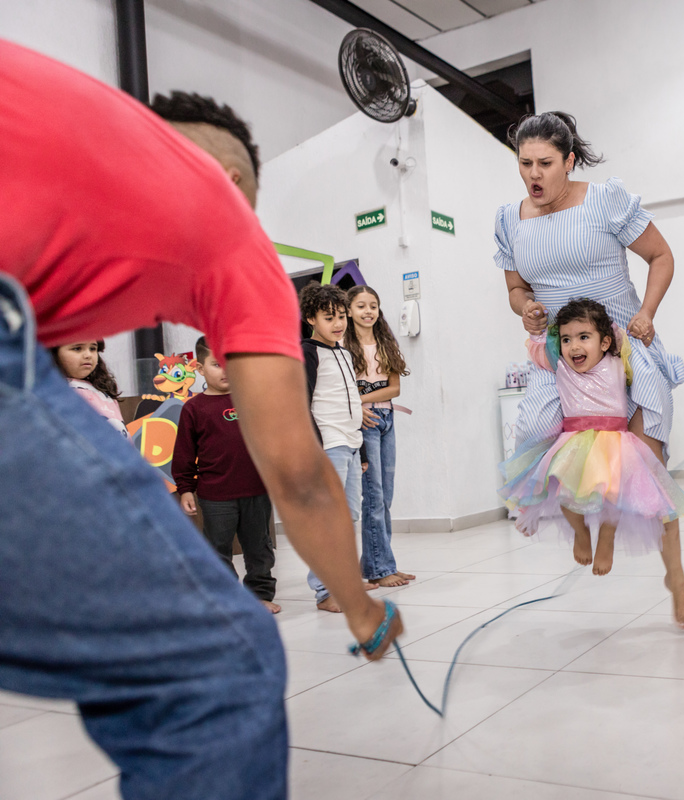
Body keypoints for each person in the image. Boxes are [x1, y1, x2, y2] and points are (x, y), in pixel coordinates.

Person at [0, 41, 400, 800]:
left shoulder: (62, 145)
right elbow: (299, 474)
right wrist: (360, 604)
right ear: (235, 180)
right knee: (222, 665)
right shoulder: (226, 215)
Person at [494, 111, 684, 628]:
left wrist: (646, 312)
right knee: (537, 434)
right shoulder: (509, 219)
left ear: (570, 161)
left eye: (545, 163)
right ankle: (584, 525)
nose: (533, 175)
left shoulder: (606, 200)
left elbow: (661, 256)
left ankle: (676, 578)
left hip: (623, 343)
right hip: (561, 355)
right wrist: (526, 309)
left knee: (647, 469)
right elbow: (516, 289)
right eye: (524, 164)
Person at [500, 298, 684, 576]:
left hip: (614, 443)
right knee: (564, 493)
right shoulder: (561, 366)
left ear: (604, 343)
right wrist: (536, 328)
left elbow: (624, 338)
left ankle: (606, 536)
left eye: (583, 337)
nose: (574, 346)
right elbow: (538, 349)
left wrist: (634, 323)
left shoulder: (616, 360)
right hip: (574, 442)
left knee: (614, 497)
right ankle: (580, 532)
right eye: (566, 339)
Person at [173, 336, 280, 614]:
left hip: (257, 490)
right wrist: (185, 488)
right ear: (199, 367)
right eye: (217, 364)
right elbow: (184, 454)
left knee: (259, 548)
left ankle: (259, 595)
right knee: (218, 549)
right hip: (216, 495)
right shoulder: (193, 409)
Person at [301, 283, 374, 612]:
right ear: (310, 319)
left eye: (342, 316)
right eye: (329, 317)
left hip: (350, 444)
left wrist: (362, 452)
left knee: (350, 516)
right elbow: (302, 402)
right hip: (327, 444)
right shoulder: (307, 352)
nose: (338, 323)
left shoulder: (344, 352)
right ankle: (324, 590)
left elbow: (352, 406)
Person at [343, 285, 416, 588]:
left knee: (385, 495)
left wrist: (361, 397)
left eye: (373, 305)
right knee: (372, 497)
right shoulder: (344, 348)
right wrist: (360, 404)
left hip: (386, 418)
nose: (368, 311)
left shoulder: (385, 342)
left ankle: (381, 563)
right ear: (349, 310)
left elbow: (395, 388)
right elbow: (343, 391)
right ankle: (380, 568)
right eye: (361, 306)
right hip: (365, 422)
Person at [50, 340, 128, 438]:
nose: (88, 355)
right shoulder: (53, 391)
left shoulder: (103, 390)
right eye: (77, 348)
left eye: (93, 348)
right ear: (54, 352)